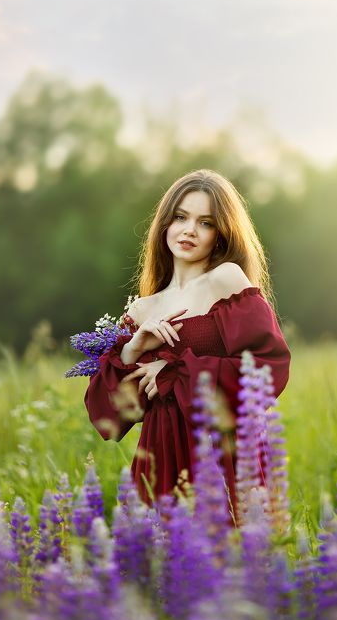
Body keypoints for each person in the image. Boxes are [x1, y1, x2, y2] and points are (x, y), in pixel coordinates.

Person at [84, 169, 291, 521]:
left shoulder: (224, 280)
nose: (189, 230)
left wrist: (177, 372)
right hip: (159, 457)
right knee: (161, 565)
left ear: (221, 235)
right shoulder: (141, 309)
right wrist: (133, 349)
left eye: (205, 223)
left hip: (221, 454)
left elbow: (269, 366)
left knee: (228, 565)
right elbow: (108, 418)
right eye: (180, 217)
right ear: (165, 223)